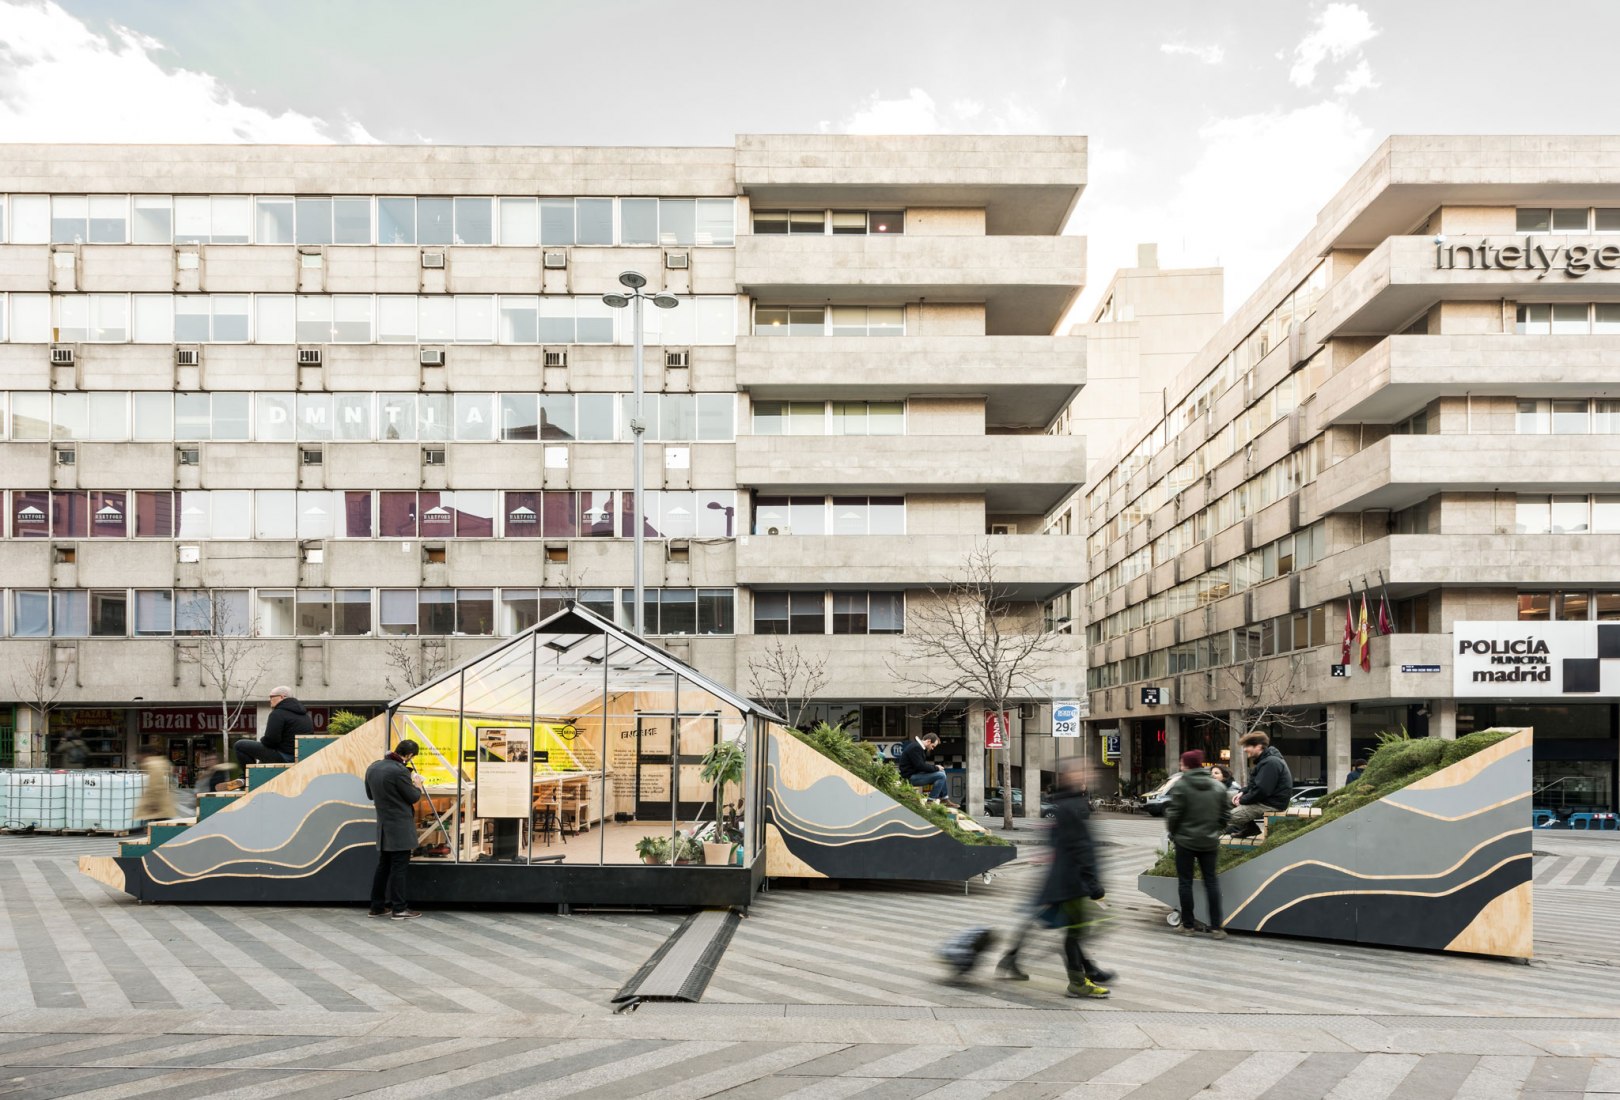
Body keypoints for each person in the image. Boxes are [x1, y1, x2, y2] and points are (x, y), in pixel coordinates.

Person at [994, 757, 1112, 999]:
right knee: (1075, 930)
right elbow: (1082, 848)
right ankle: (1079, 980)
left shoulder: (1064, 804)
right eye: (1083, 772)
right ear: (1071, 777)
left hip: (1062, 879)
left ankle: (1013, 958)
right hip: (1070, 881)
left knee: (1055, 924)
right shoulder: (1074, 806)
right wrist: (1093, 883)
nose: (1087, 776)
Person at [1165, 750, 1230, 938]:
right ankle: (1216, 927)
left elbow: (1174, 814)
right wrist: (1215, 830)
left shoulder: (1182, 786)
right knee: (1211, 881)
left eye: (1182, 762)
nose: (1180, 765)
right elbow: (1225, 815)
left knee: (1185, 882)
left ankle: (1188, 925)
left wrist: (1174, 832)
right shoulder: (1218, 787)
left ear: (1186, 765)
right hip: (1209, 841)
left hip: (1185, 841)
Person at [365, 739, 424, 920]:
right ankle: (399, 908)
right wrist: (417, 784)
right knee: (399, 868)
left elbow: (369, 795)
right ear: (409, 755)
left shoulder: (373, 767)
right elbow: (413, 797)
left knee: (383, 867)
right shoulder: (399, 771)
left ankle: (376, 907)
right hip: (399, 826)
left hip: (383, 826)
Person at [1227, 732, 1293, 837]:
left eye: (1247, 746)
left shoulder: (1271, 763)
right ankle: (1250, 828)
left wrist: (1243, 800)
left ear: (1258, 746)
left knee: (1226, 818)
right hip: (1264, 799)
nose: (1244, 749)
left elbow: (1262, 790)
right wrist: (1242, 792)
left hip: (1271, 804)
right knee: (1226, 796)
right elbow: (1255, 785)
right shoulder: (1265, 761)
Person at [234, 687, 312, 769]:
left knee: (240, 745)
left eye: (271, 697)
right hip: (300, 758)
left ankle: (247, 777)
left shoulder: (277, 713)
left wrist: (262, 740)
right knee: (263, 758)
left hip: (285, 758)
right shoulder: (305, 715)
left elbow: (271, 741)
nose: (269, 700)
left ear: (282, 697)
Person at [897, 732, 957, 808]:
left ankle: (944, 799)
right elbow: (921, 766)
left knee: (941, 772)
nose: (932, 748)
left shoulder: (917, 747)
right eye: (933, 746)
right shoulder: (916, 747)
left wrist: (936, 768)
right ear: (928, 741)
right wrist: (936, 768)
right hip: (909, 778)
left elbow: (920, 766)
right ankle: (930, 801)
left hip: (913, 775)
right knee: (941, 775)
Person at [133, 747, 178, 824]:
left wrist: (152, 804)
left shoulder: (153, 765)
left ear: (144, 755)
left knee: (160, 828)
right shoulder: (158, 762)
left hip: (158, 806)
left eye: (138, 755)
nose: (136, 757)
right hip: (160, 804)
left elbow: (156, 785)